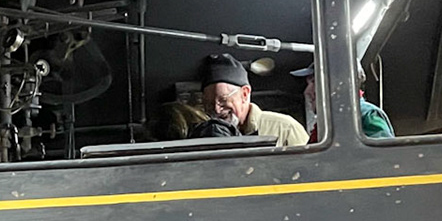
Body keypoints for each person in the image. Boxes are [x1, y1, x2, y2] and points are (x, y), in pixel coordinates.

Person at [164, 54, 308, 147]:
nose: (216, 109)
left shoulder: (285, 129)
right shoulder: (203, 134)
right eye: (208, 103)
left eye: (223, 100)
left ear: (245, 94)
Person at [301, 63, 393, 139]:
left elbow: (383, 156)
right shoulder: (326, 125)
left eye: (314, 82)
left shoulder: (367, 114)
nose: (307, 91)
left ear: (339, 84)